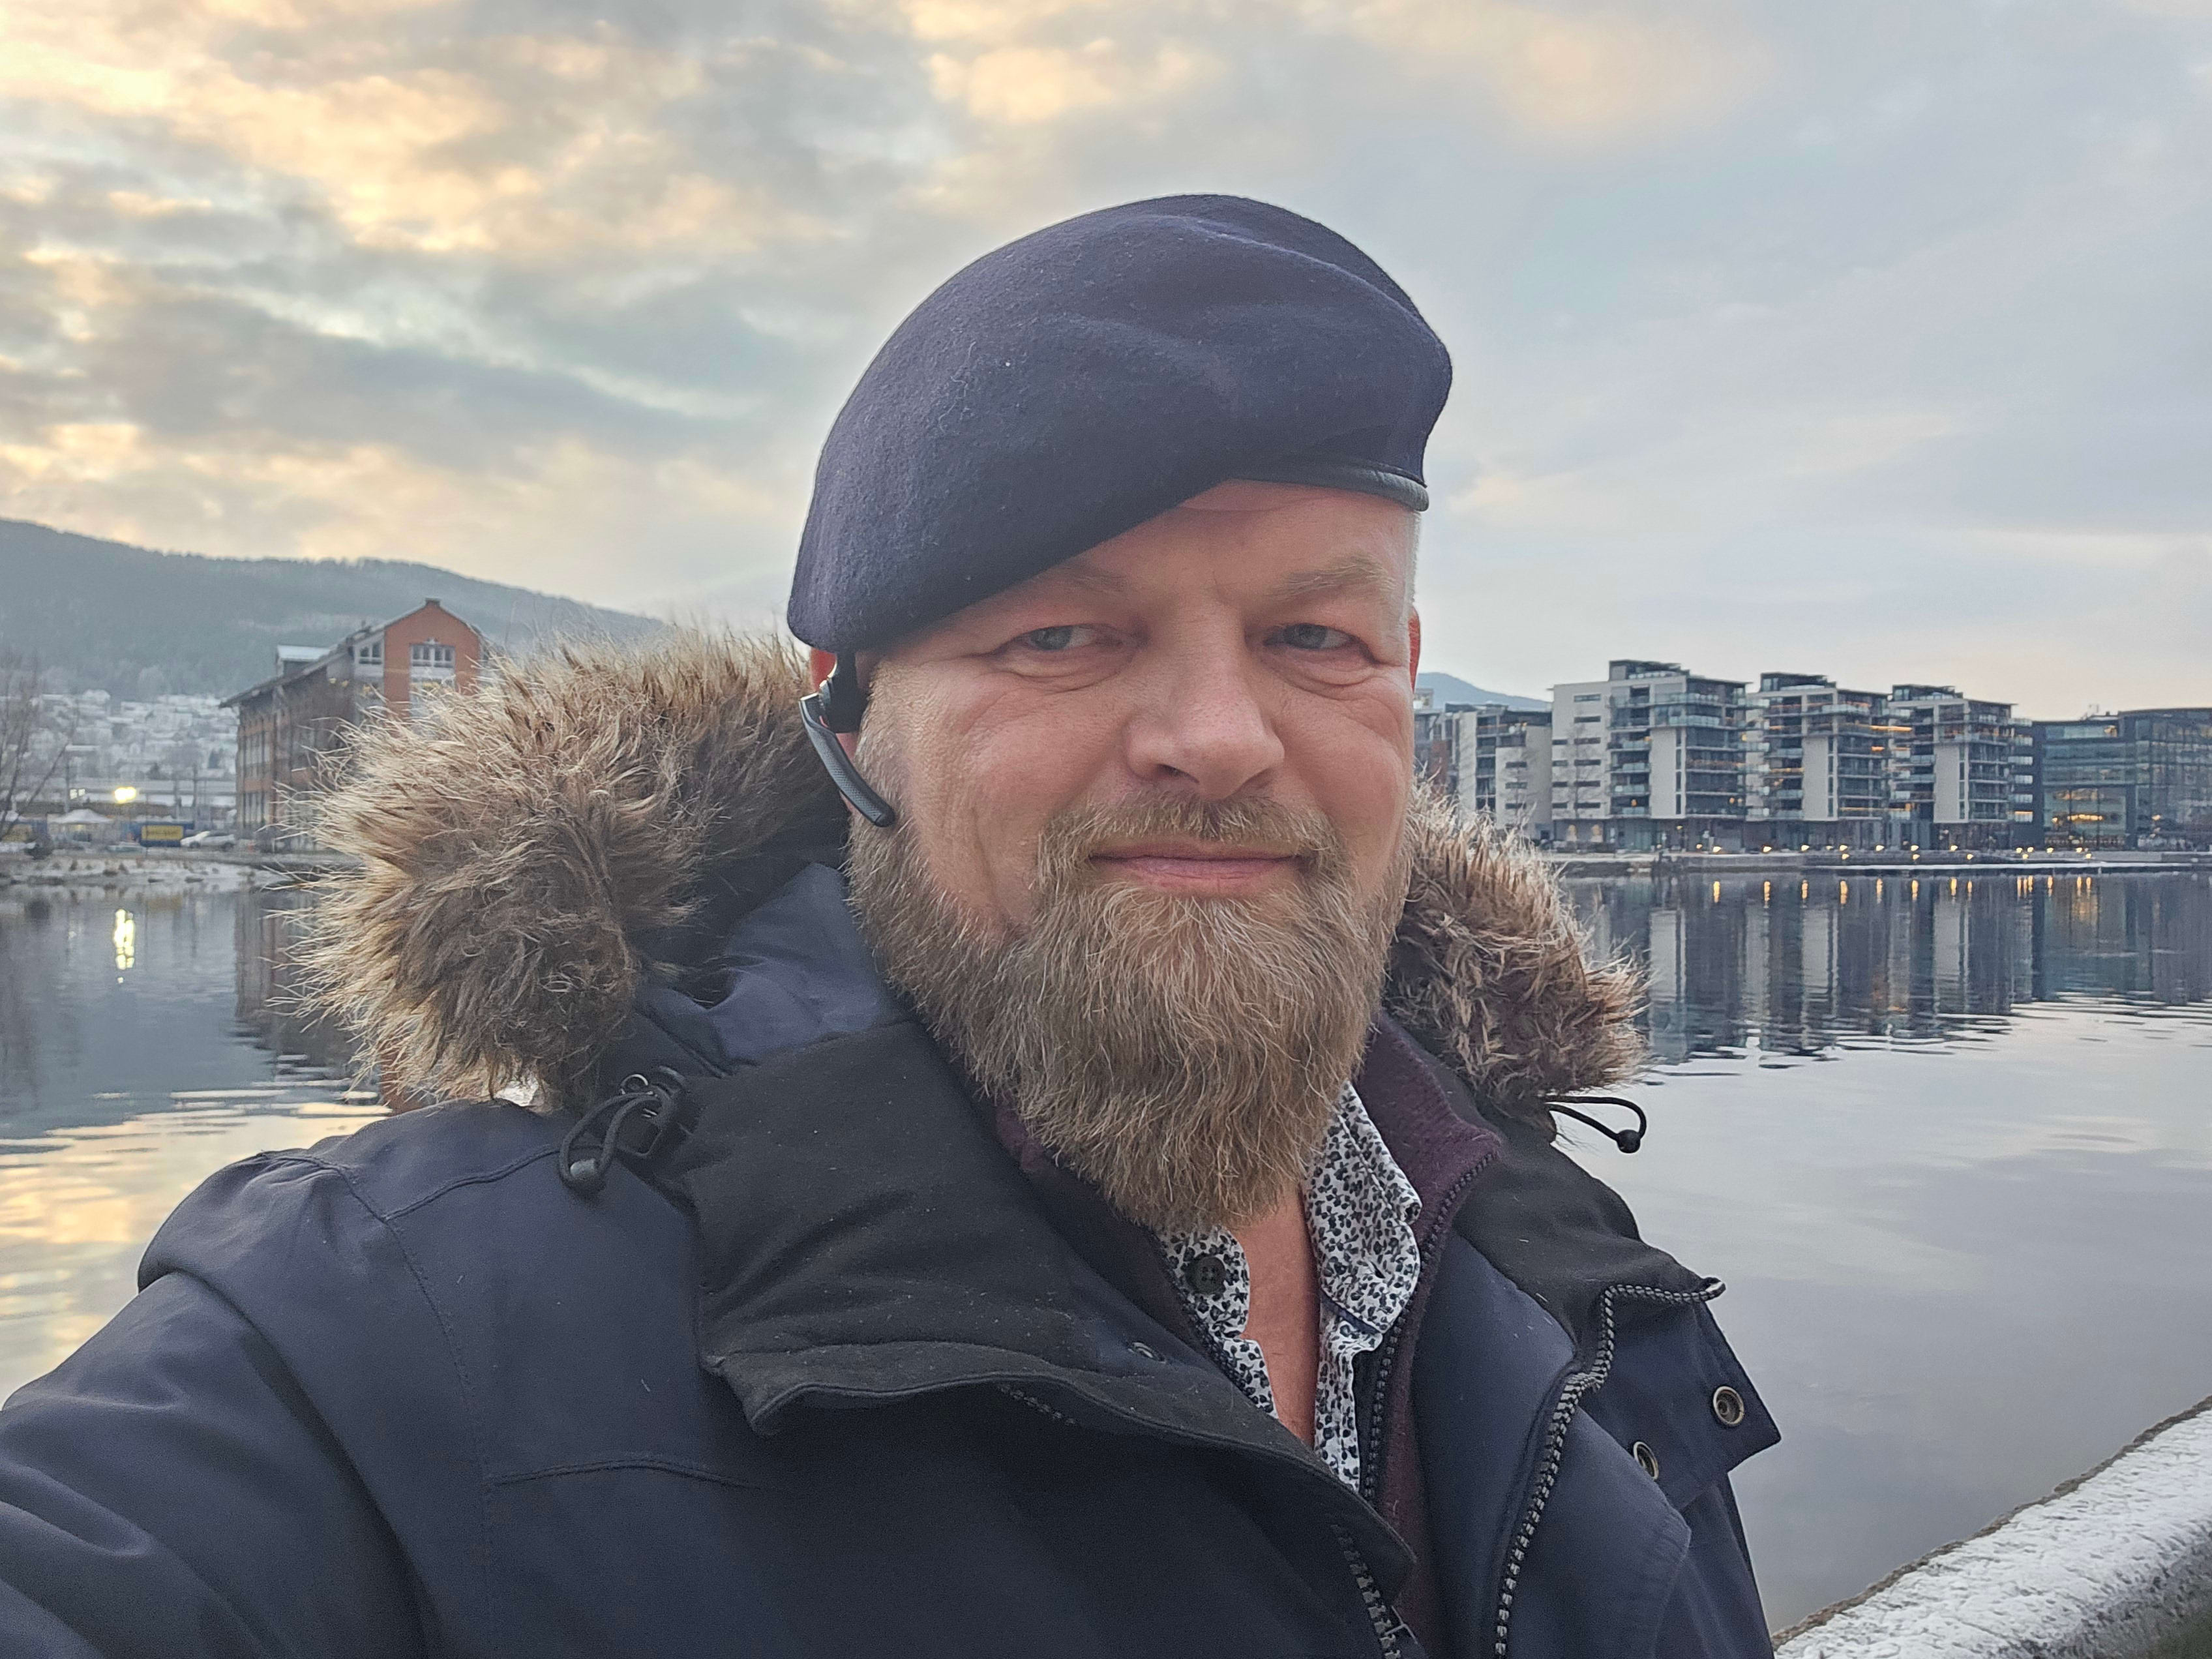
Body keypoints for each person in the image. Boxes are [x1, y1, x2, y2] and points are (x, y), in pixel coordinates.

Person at [0, 196, 1777, 1658]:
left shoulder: (1550, 1259)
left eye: (1316, 637)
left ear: (1407, 683)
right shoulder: (402, 1331)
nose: (1221, 736)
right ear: (849, 725)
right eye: (1062, 636)